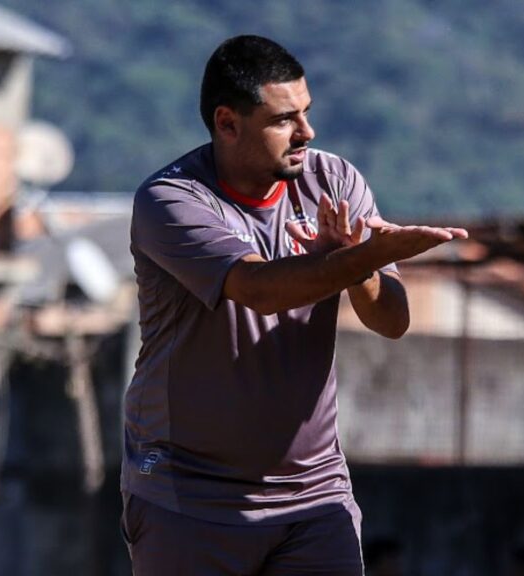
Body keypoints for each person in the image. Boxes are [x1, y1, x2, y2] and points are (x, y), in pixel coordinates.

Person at [120, 35, 467, 576]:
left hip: (314, 495)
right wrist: (356, 259)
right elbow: (258, 291)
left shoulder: (332, 179)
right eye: (285, 119)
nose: (307, 132)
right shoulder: (171, 199)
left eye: (306, 112)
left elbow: (392, 320)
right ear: (228, 123)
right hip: (190, 496)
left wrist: (363, 265)